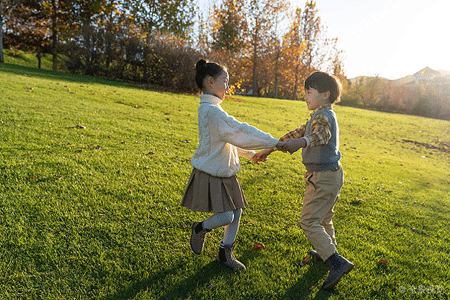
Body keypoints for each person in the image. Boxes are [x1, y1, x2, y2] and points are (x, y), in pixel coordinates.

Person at [181, 59, 285, 271]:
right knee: (228, 215)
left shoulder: (210, 109)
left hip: (224, 169)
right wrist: (275, 142)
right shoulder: (213, 112)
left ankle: (225, 253)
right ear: (211, 81)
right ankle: (200, 228)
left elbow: (226, 141)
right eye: (225, 81)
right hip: (213, 171)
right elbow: (240, 131)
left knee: (236, 212)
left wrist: (251, 155)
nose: (228, 87)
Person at [256, 71, 353, 290]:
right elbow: (297, 133)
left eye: (309, 92)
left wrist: (302, 143)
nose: (305, 97)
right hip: (331, 175)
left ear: (325, 94)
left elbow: (321, 136)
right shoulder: (319, 115)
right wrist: (271, 148)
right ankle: (326, 252)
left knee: (308, 221)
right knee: (324, 218)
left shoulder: (323, 117)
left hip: (323, 178)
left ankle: (335, 262)